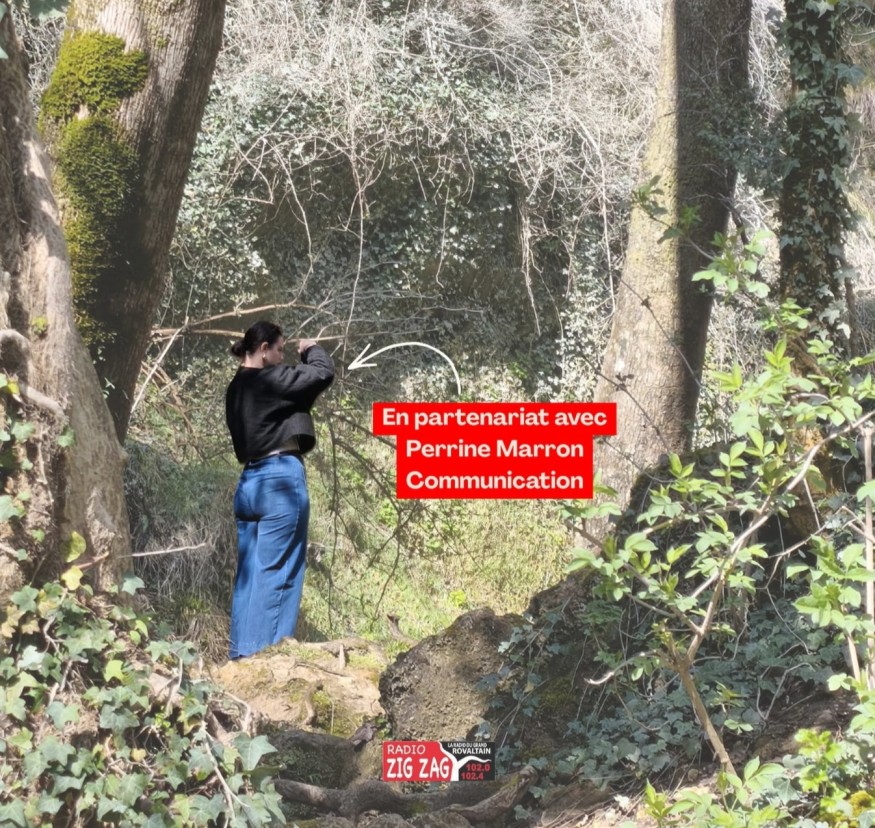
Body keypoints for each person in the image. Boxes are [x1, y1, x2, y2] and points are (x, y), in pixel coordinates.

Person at [224, 321, 334, 659]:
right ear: (263, 349)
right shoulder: (269, 379)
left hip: (249, 484)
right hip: (279, 481)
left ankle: (240, 660)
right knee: (278, 574)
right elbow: (322, 373)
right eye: (280, 349)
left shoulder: (236, 388)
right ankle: (264, 664)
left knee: (249, 578)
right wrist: (310, 348)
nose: (283, 356)